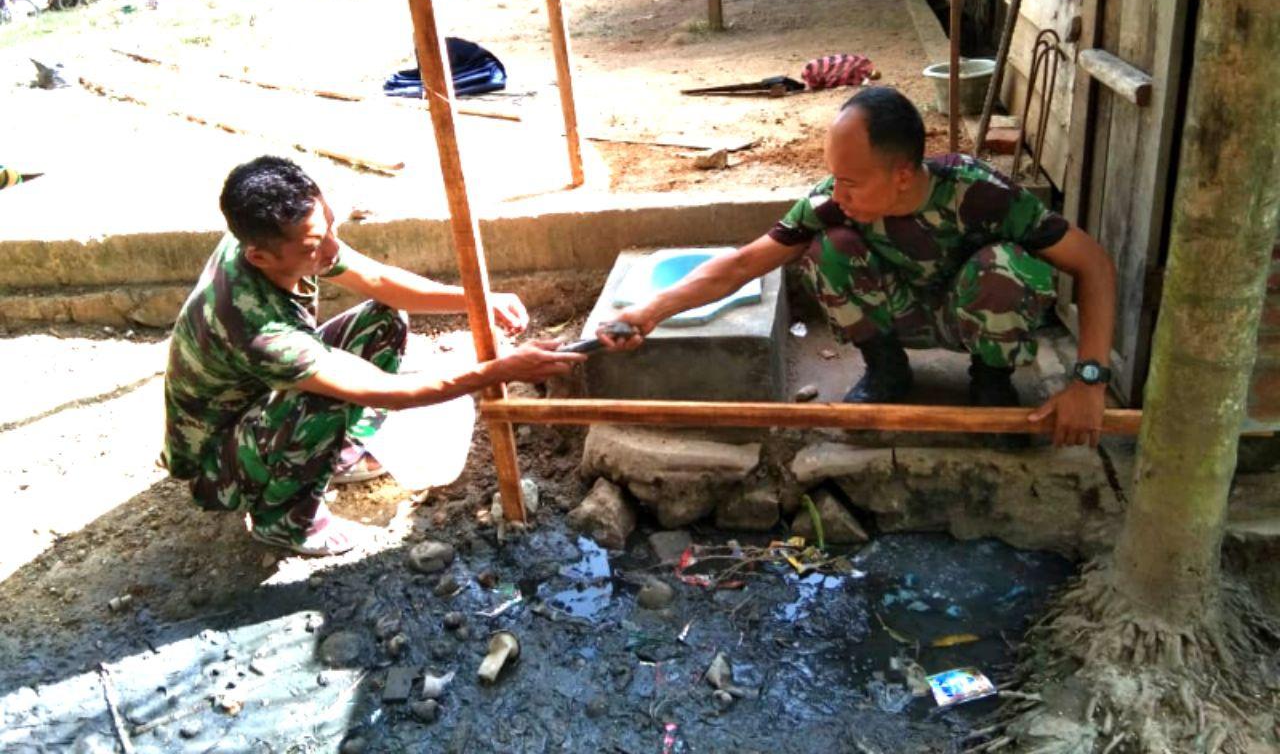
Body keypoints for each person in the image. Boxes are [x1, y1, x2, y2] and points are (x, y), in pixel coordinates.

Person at [600, 87, 1118, 448]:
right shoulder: (834, 203)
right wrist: (651, 311)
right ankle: (886, 369)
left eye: (851, 180)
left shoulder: (980, 193)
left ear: (902, 175)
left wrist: (1089, 382)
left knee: (1004, 265)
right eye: (833, 178)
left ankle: (992, 381)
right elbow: (741, 264)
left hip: (972, 315)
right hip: (901, 314)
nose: (836, 192)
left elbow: (1092, 263)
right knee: (827, 247)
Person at [162, 156, 585, 556]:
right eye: (315, 245)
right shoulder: (259, 330)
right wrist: (501, 370)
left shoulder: (277, 236)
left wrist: (478, 299)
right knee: (322, 397)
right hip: (218, 464)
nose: (331, 250)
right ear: (259, 256)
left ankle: (335, 454)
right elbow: (387, 392)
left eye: (330, 226)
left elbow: (379, 280)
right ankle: (286, 521)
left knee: (385, 319)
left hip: (259, 401)